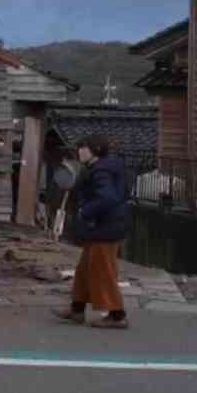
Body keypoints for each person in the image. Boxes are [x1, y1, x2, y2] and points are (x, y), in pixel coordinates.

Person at [52, 135, 132, 329]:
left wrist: (84, 211)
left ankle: (117, 315)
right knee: (84, 269)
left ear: (95, 150)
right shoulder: (108, 167)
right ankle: (77, 309)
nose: (79, 151)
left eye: (83, 148)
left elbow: (107, 198)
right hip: (107, 225)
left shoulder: (101, 171)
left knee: (103, 271)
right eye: (79, 147)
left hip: (105, 227)